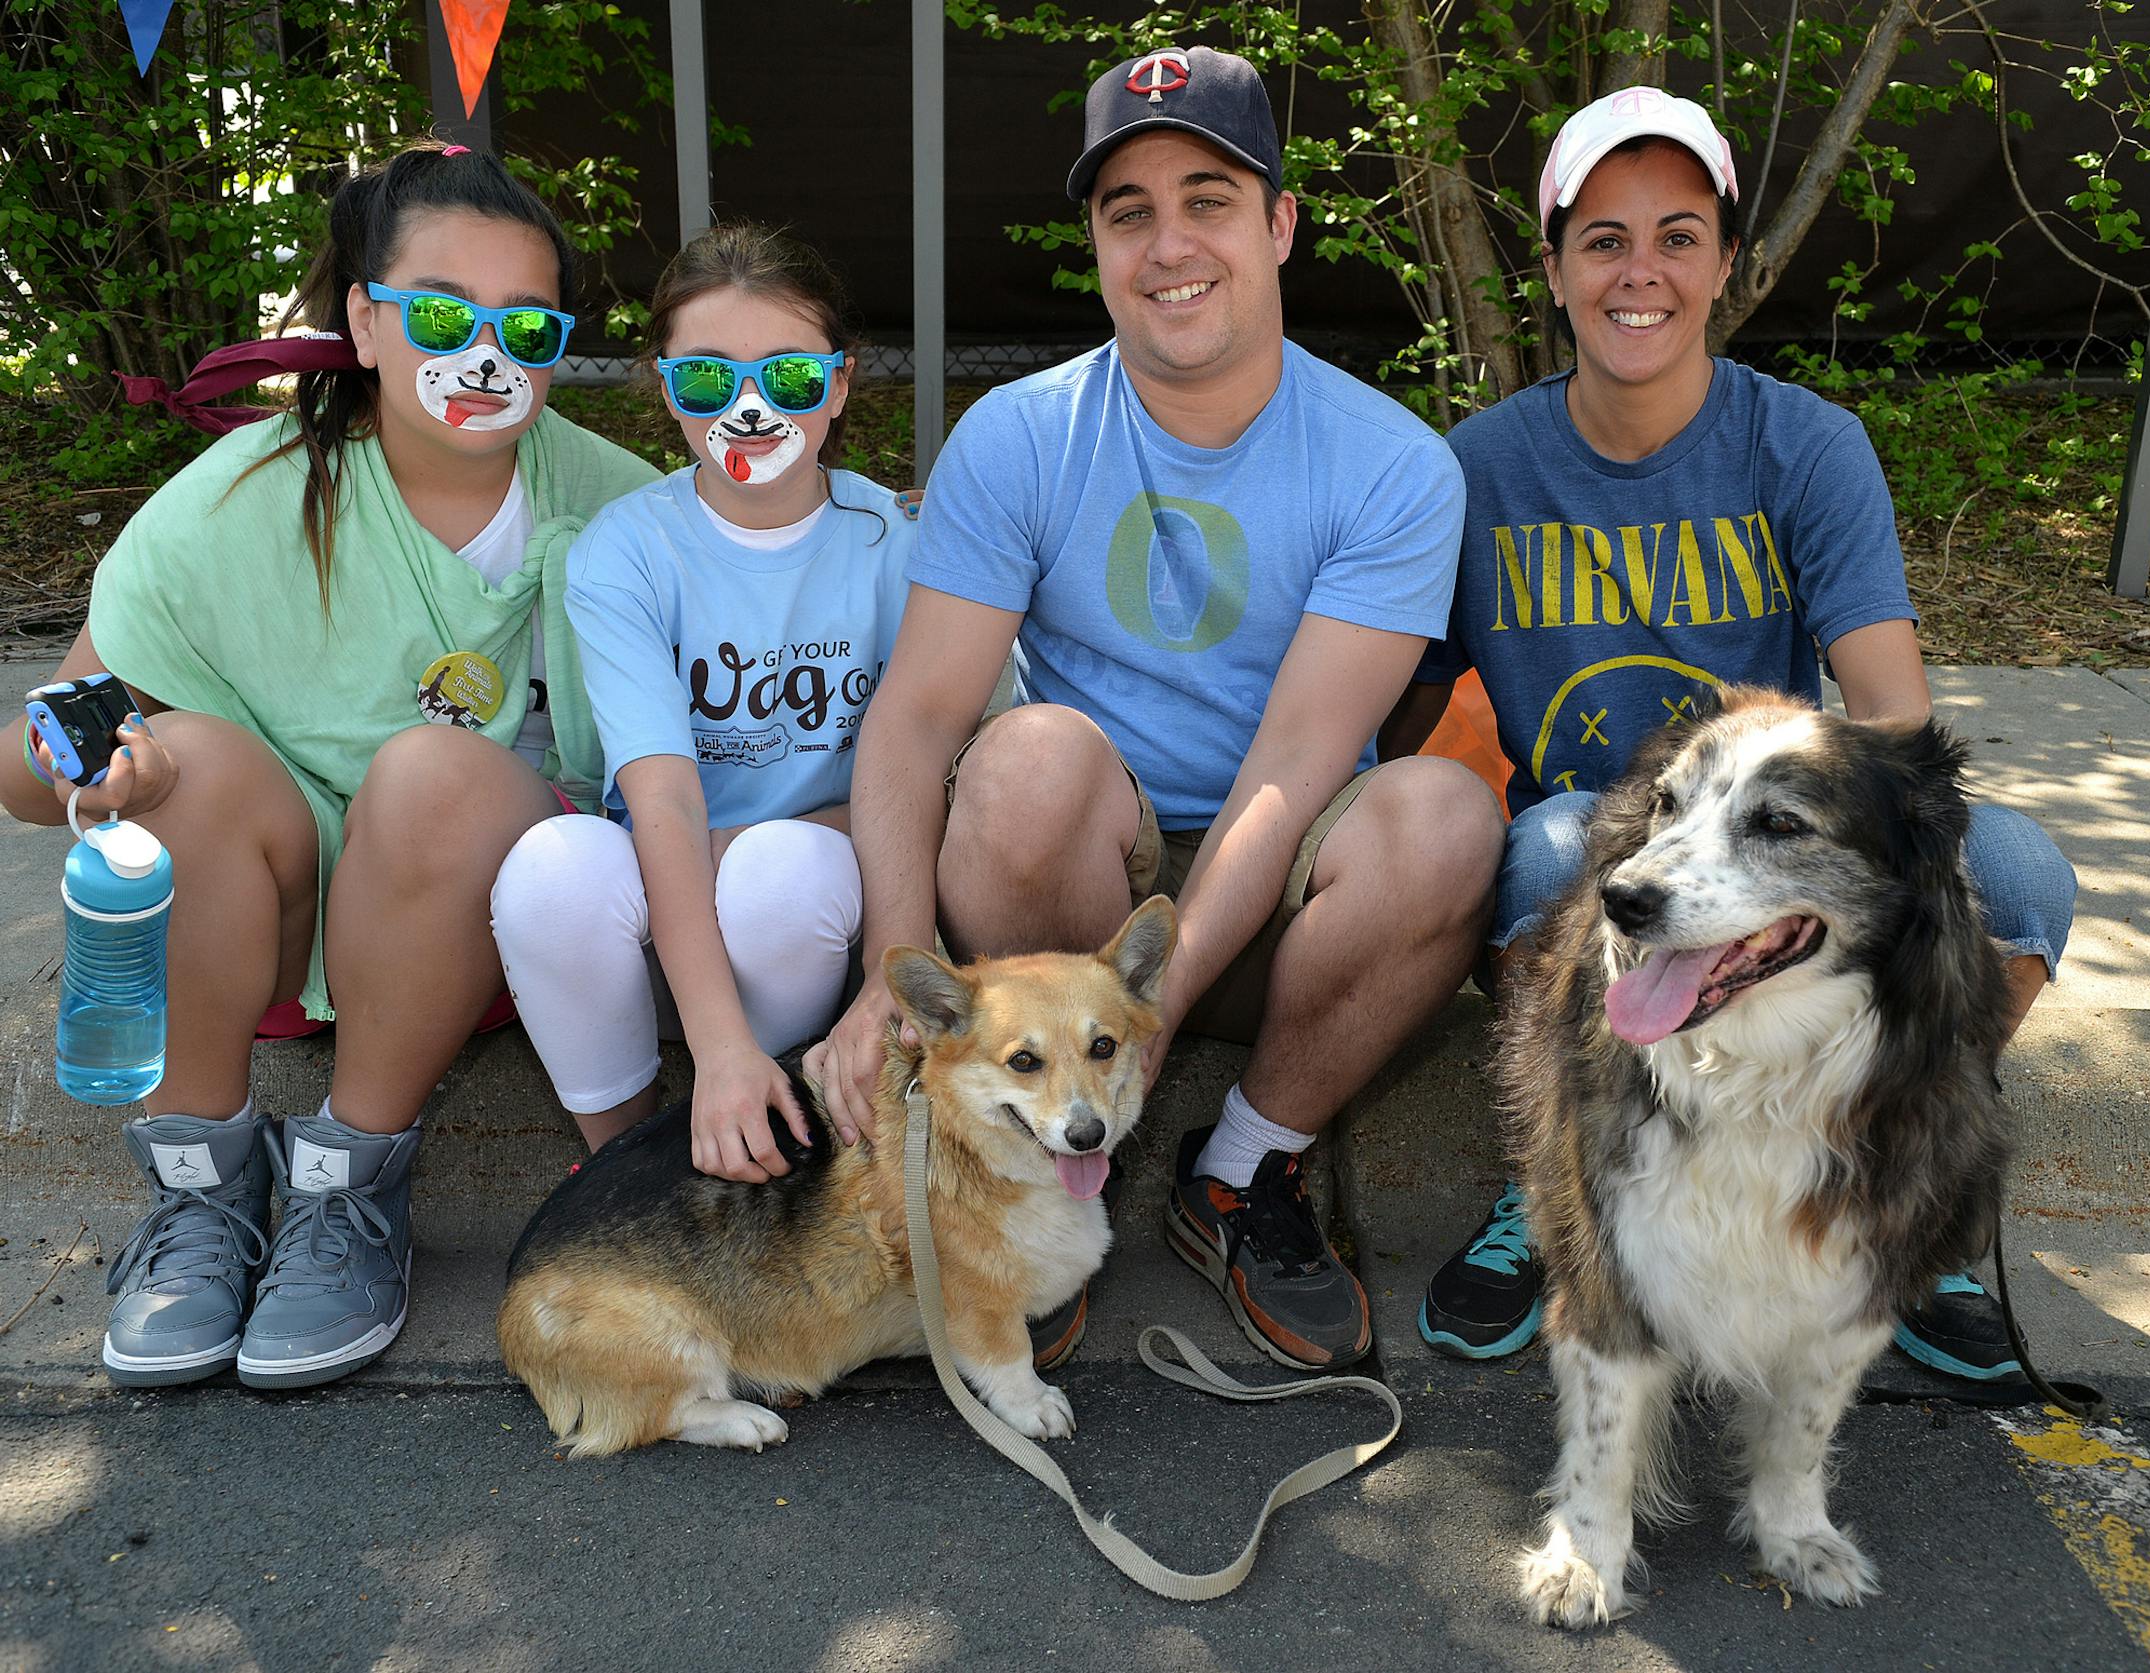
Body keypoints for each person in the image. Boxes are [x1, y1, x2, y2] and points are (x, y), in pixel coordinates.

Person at [808, 45, 1503, 1374]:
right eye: (1130, 211)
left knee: (1446, 817)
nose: (1169, 242)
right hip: (1081, 887)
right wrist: (896, 975)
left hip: (1294, 897)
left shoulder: (1395, 464)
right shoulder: (1019, 435)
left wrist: (1160, 1003)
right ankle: (1033, 1178)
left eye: (1209, 199)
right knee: (1020, 768)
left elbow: (1299, 764)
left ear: (1281, 225)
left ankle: (1242, 1169)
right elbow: (913, 721)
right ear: (1096, 243)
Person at [1380, 86, 2078, 1381]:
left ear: (1725, 265)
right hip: (1589, 863)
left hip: (1764, 858)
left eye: (1678, 235)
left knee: (2023, 872)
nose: (1639, 271)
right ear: (1554, 267)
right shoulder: (1476, 468)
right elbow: (1398, 708)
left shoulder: (1807, 448)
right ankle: (1559, 1190)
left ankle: (1894, 1193)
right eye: (1604, 237)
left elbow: (1892, 717)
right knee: (1541, 847)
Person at [0, 143, 660, 1390]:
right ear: (364, 316)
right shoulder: (236, 497)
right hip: (276, 931)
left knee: (435, 772)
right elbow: (40, 757)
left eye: (526, 323)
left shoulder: (621, 499)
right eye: (442, 314)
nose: (486, 353)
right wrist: (106, 774)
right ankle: (199, 1187)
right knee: (186, 754)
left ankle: (350, 1184)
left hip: (496, 929)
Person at [490, 223, 914, 1177]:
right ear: (667, 388)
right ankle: (626, 1159)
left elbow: (930, 767)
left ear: (839, 384)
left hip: (810, 898)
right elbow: (666, 800)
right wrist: (715, 1044)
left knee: (780, 870)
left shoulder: (886, 536)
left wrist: (767, 844)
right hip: (655, 887)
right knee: (550, 867)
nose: (752, 409)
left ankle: (784, 1127)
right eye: (709, 379)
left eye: (792, 378)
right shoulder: (625, 549)